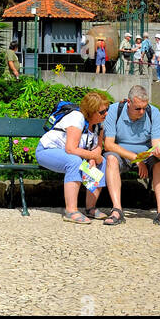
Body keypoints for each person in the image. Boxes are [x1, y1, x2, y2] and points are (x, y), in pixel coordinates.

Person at [101, 85, 160, 228]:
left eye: (144, 107)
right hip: (120, 153)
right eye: (138, 108)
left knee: (159, 162)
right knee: (111, 159)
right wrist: (135, 159)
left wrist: (159, 151)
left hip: (145, 154)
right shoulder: (114, 110)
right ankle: (117, 209)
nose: (142, 112)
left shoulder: (153, 112)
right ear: (128, 103)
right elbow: (109, 145)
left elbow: (156, 143)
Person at [35, 91, 109, 224]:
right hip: (47, 151)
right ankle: (71, 211)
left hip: (71, 154)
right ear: (91, 112)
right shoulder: (77, 118)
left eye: (106, 110)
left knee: (101, 162)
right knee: (74, 161)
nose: (106, 114)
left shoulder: (99, 124)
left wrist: (93, 157)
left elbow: (97, 147)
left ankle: (90, 208)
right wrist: (91, 155)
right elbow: (71, 149)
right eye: (102, 112)